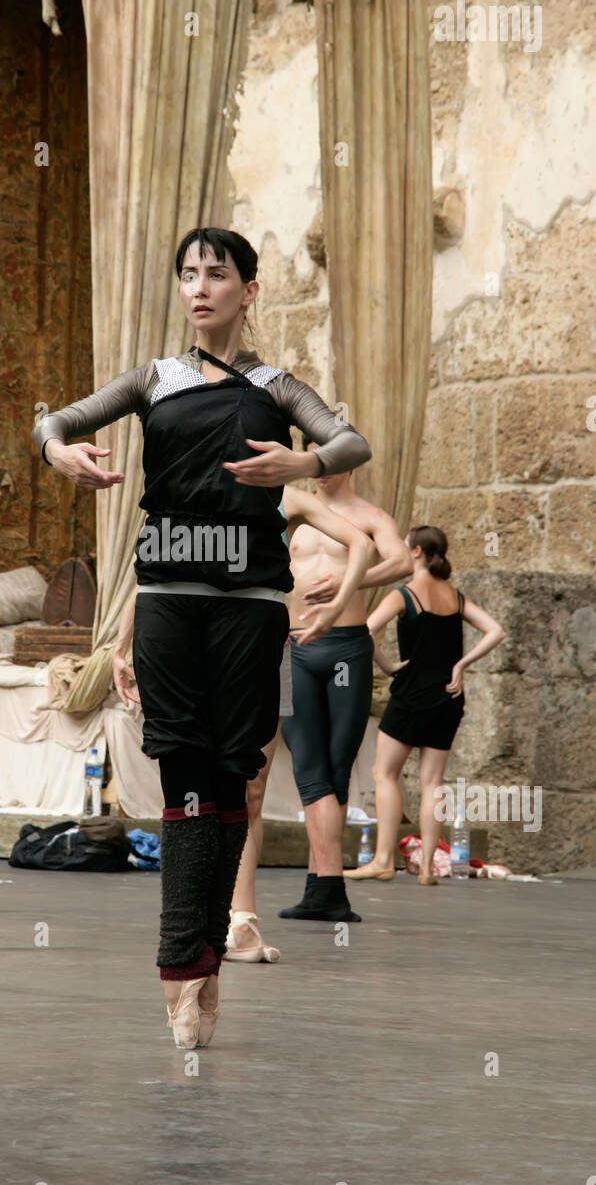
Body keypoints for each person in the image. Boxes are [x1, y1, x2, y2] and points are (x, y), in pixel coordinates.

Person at [32, 226, 371, 1048]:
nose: (200, 287)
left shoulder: (275, 384)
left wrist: (302, 467)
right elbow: (56, 419)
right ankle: (182, 970)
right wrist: (58, 452)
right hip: (171, 599)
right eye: (188, 274)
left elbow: (351, 442)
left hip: (252, 604)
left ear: (248, 291)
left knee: (234, 773)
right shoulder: (153, 378)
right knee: (184, 767)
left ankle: (210, 955)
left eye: (216, 274)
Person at [115, 492, 377, 964]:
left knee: (248, 784)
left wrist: (339, 605)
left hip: (259, 644)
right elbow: (154, 574)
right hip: (194, 641)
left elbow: (361, 543)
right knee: (195, 777)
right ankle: (203, 921)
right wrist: (121, 643)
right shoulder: (191, 487)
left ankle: (241, 921)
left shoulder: (286, 497)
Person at [276, 440, 414, 921]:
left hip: (345, 649)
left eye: (328, 461)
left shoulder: (368, 516)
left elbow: (403, 563)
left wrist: (350, 581)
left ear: (349, 464)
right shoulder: (294, 509)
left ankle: (323, 887)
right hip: (293, 648)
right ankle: (325, 888)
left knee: (336, 767)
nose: (319, 470)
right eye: (312, 459)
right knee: (307, 765)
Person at [363, 526, 505, 883]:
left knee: (385, 773)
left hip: (411, 695)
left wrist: (387, 666)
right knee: (433, 784)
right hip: (448, 697)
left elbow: (365, 631)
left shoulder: (405, 594)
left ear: (415, 553)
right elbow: (495, 630)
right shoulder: (455, 597)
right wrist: (461, 664)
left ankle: (382, 859)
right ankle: (426, 866)